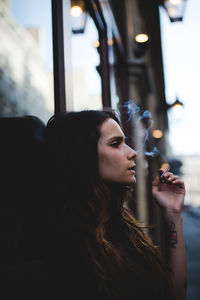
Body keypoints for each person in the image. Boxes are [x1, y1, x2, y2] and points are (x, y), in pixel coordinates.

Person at [44, 109, 187, 299]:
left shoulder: (120, 225)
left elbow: (172, 294)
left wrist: (172, 213)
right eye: (115, 143)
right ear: (83, 155)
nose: (133, 153)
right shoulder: (70, 243)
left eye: (125, 142)